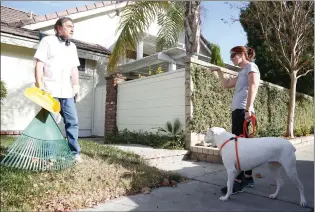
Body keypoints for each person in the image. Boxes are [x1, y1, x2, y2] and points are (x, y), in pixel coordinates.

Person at [211, 46, 260, 194]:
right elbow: (226, 84)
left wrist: (248, 109)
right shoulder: (241, 73)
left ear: (242, 54)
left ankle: (239, 181)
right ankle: (248, 178)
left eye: (233, 55)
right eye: (230, 55)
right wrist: (219, 71)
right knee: (243, 145)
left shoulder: (251, 66)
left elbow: (253, 86)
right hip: (238, 111)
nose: (231, 58)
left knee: (239, 147)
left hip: (243, 111)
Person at [33, 17, 82, 162]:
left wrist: (76, 86)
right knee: (50, 123)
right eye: (68, 26)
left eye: (73, 26)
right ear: (59, 28)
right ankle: (49, 155)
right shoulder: (47, 41)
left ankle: (74, 153)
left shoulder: (72, 47)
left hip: (66, 91)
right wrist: (40, 84)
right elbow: (39, 64)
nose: (72, 28)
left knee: (72, 121)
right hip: (50, 90)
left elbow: (74, 69)